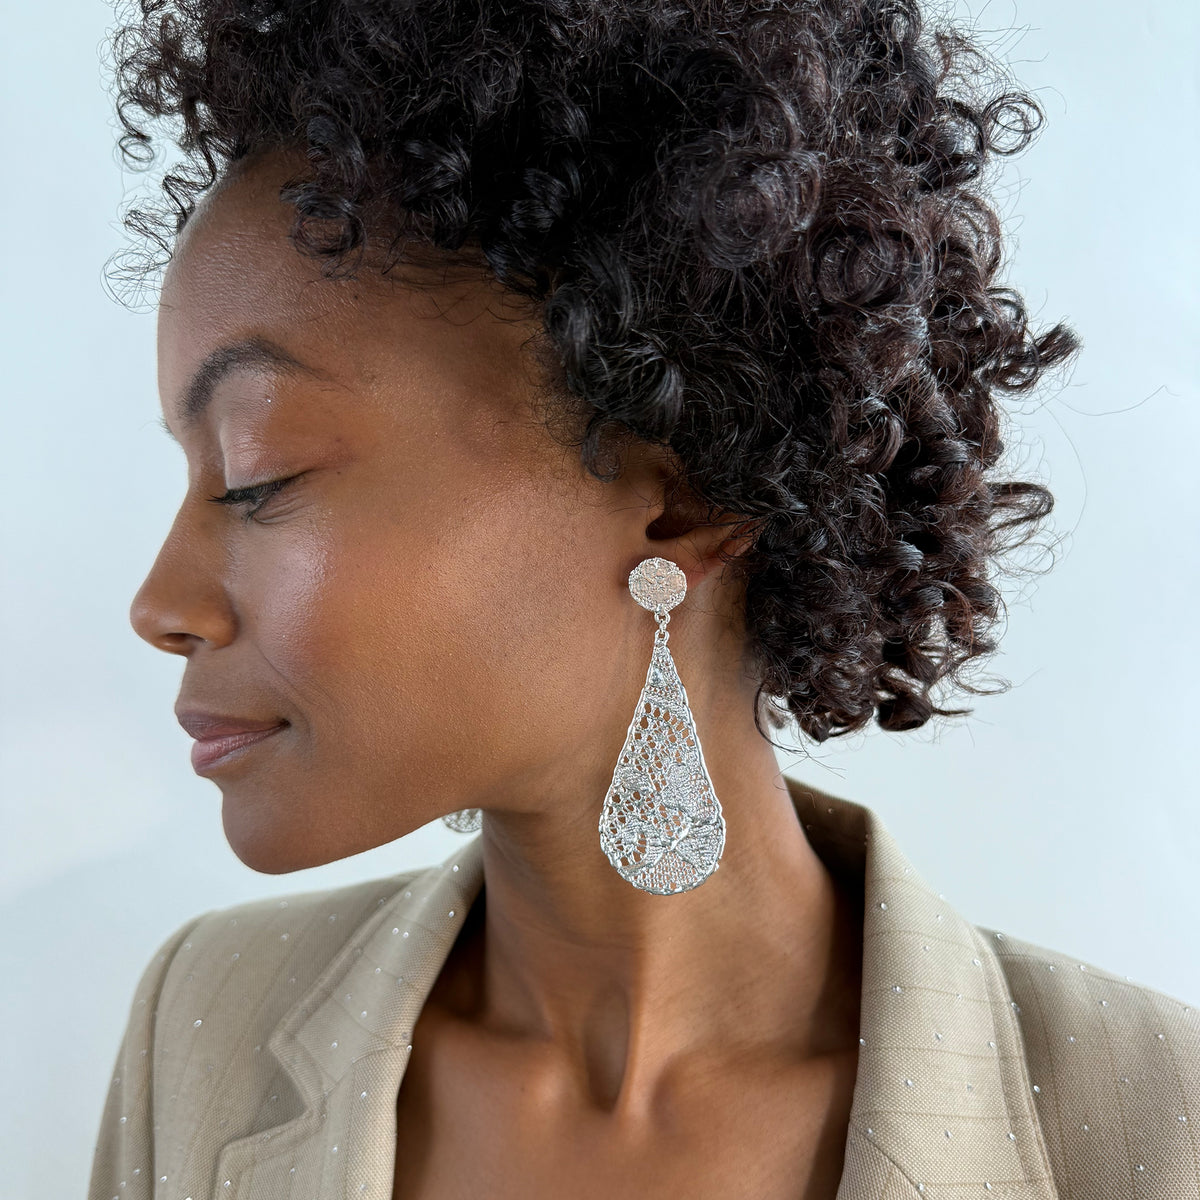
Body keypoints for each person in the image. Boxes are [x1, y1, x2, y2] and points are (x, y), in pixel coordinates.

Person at [90, 2, 1198, 1198]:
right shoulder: (199, 1027)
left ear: (677, 499)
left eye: (258, 473)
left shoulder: (1155, 1117)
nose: (161, 603)